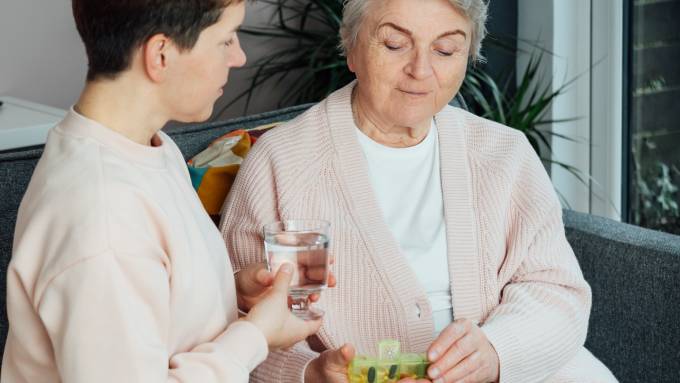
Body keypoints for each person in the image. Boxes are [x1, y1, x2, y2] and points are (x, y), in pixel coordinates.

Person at [220, 0, 618, 382]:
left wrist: (496, 350)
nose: (421, 70)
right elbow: (233, 324)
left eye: (446, 50)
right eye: (395, 44)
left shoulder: (505, 154)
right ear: (352, 48)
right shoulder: (282, 163)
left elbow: (556, 289)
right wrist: (309, 374)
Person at [1, 1, 323, 382]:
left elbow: (147, 306)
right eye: (225, 40)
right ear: (161, 55)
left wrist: (232, 293)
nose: (238, 57)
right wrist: (255, 335)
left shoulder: (152, 149)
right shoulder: (102, 216)